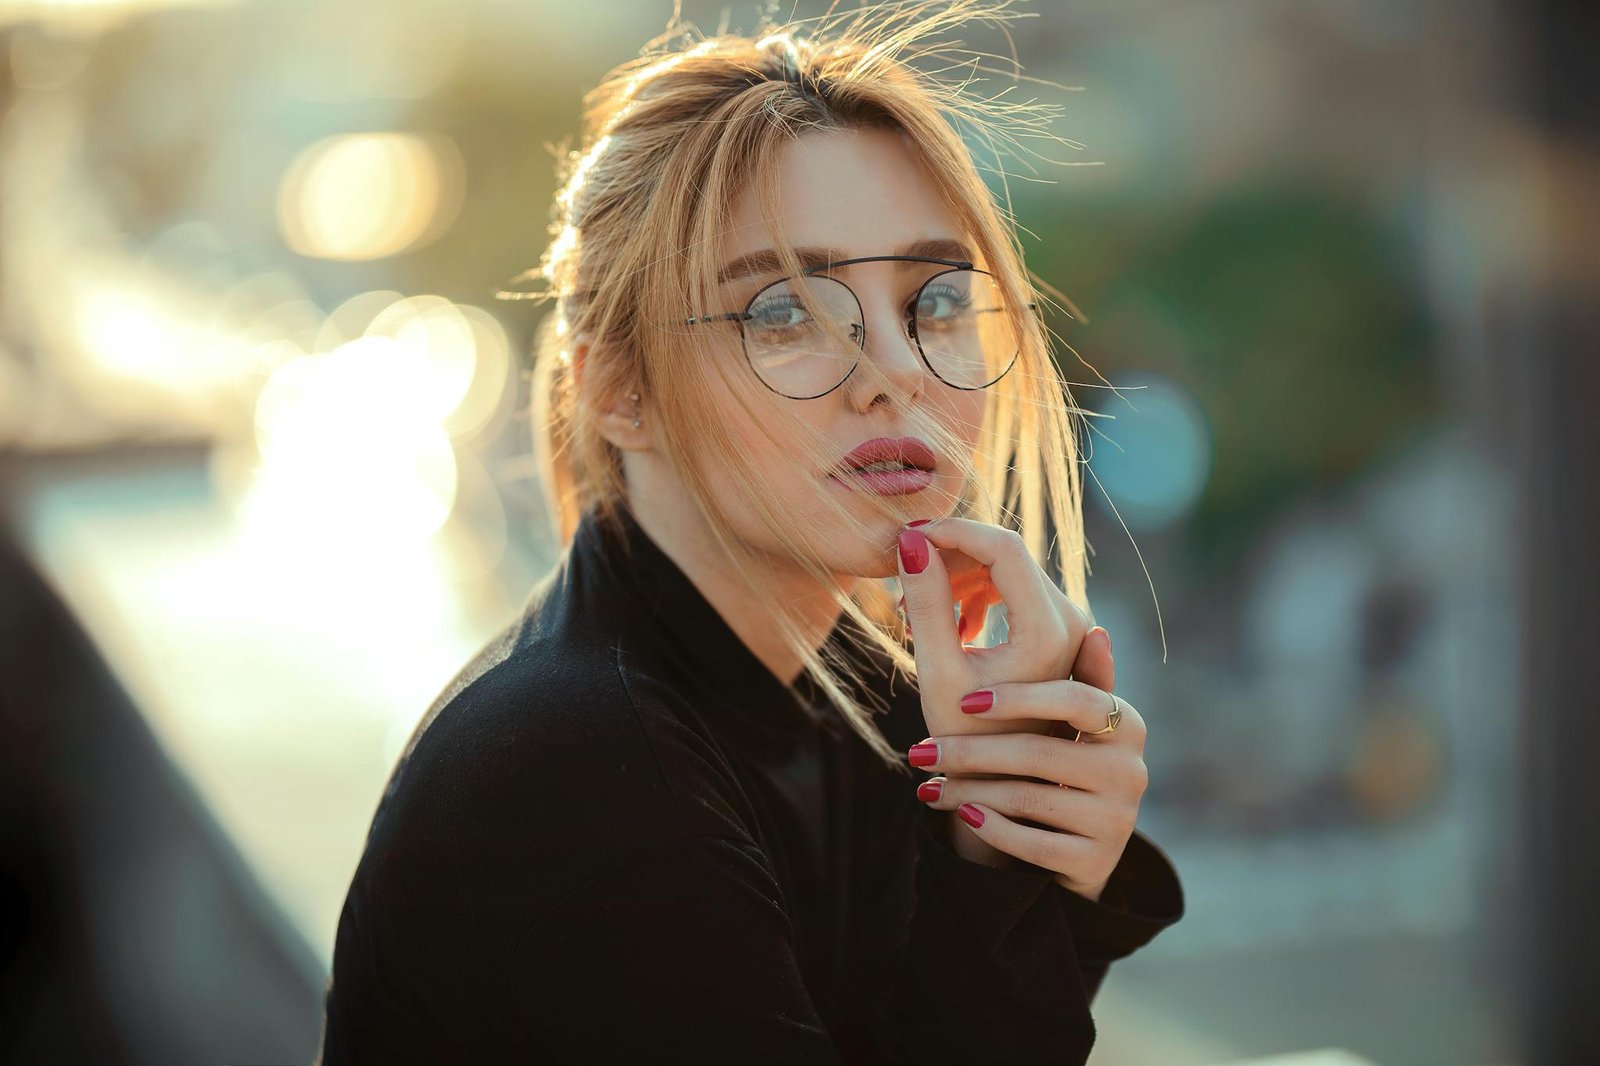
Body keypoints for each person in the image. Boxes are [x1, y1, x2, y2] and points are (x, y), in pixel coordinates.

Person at [315, 2, 1184, 1061]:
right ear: (617, 390)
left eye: (937, 299)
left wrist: (1003, 848)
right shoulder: (575, 772)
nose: (897, 374)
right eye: (784, 313)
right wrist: (991, 898)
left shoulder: (869, 706)